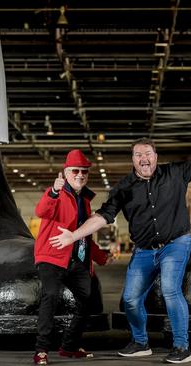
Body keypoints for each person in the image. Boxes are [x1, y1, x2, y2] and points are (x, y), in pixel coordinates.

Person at [50, 112, 191, 364]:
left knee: (170, 290)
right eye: (139, 155)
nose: (144, 159)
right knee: (130, 299)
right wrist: (74, 236)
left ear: (156, 157)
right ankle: (141, 343)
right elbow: (104, 216)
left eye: (148, 154)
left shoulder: (175, 173)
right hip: (143, 250)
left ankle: (181, 347)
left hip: (175, 244)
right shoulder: (123, 188)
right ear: (133, 159)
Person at [33, 149, 111, 365]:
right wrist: (53, 192)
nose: (80, 175)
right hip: (52, 256)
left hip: (77, 261)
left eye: (84, 171)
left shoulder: (84, 200)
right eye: (75, 171)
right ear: (65, 173)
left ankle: (69, 346)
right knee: (50, 296)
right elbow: (41, 211)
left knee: (88, 300)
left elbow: (83, 233)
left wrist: (100, 257)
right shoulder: (58, 193)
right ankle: (41, 350)